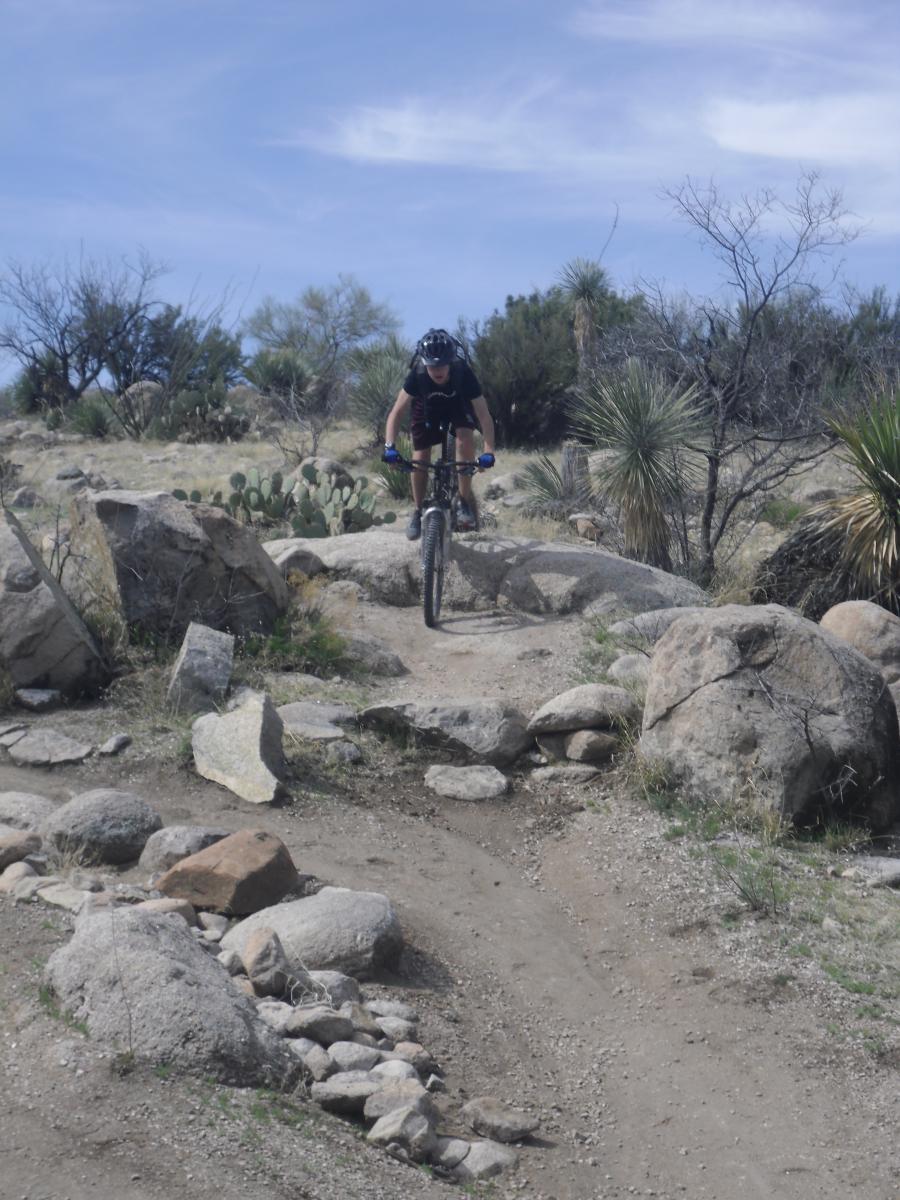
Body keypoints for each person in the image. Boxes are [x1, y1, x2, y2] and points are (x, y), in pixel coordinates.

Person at [382, 328, 496, 540]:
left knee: (464, 439)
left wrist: (488, 452)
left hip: (457, 405)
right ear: (425, 363)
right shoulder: (417, 375)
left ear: (451, 361)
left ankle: (462, 501)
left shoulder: (463, 373)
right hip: (427, 408)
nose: (438, 369)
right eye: (432, 365)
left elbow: (484, 416)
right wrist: (389, 447)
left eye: (443, 364)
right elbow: (396, 413)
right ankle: (417, 511)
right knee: (420, 456)